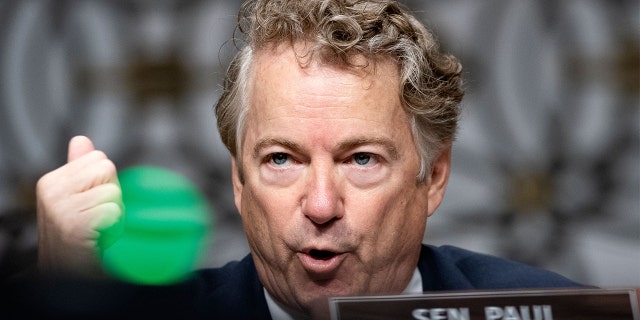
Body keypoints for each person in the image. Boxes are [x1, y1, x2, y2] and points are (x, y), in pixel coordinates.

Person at [32, 0, 583, 319]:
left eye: (361, 159)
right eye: (281, 159)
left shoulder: (555, 314)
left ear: (433, 177)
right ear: (239, 180)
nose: (321, 205)